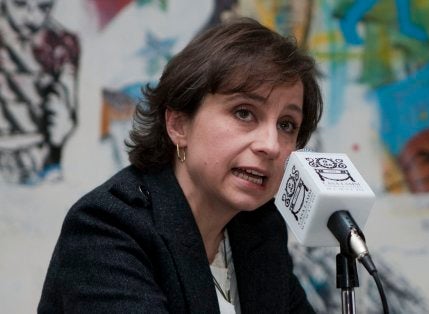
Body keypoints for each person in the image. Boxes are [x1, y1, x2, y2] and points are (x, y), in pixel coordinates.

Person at [38, 17, 322, 313]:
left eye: (287, 124)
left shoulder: (260, 228)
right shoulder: (106, 228)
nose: (271, 144)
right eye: (244, 113)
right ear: (178, 125)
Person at [0, 0, 80, 184]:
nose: (31, 17)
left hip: (37, 160)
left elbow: (63, 118)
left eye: (43, 7)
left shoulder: (61, 44)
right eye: (20, 4)